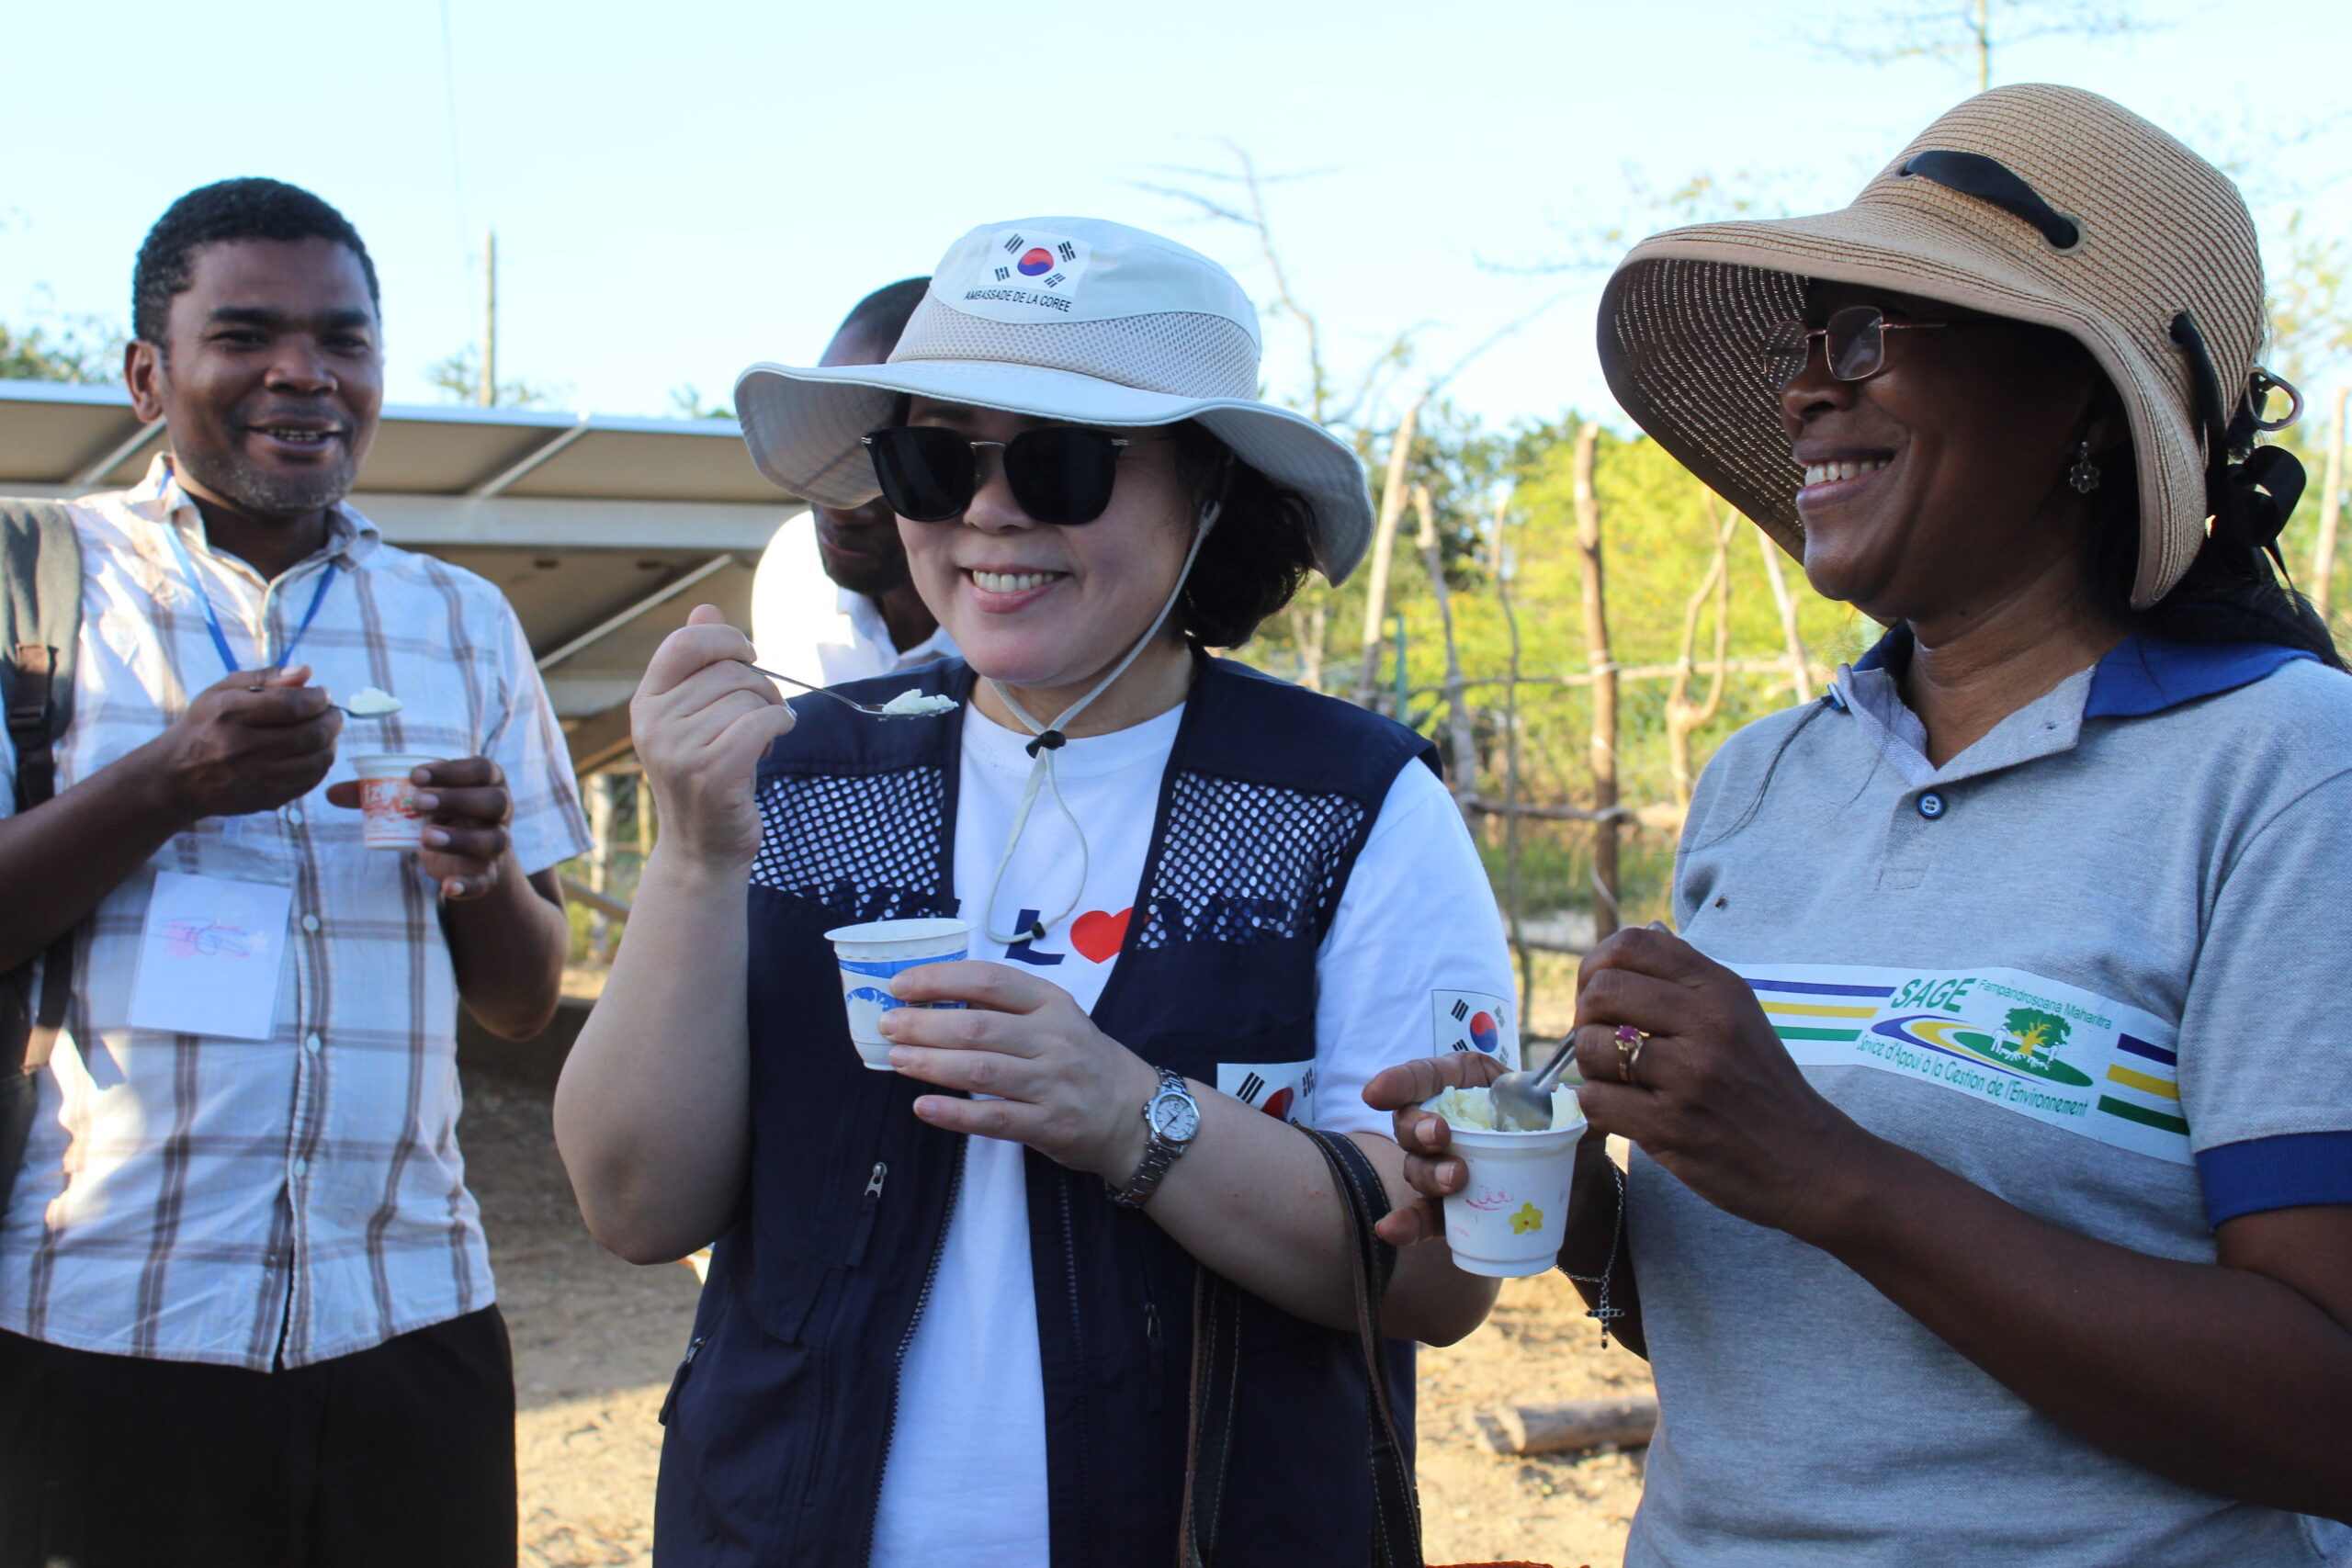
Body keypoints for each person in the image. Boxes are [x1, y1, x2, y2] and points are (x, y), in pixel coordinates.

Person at [1374, 85, 2352, 1566]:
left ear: (2086, 397)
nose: (1804, 391)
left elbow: (2324, 1409)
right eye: (1804, 342)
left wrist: (1828, 1167)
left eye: (1870, 335)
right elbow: (1781, 1344)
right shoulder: (1770, 777)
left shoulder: (2285, 774)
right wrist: (1574, 1201)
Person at [555, 217, 1518, 1566]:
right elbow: (635, 1205)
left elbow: (1444, 1272)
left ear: (1212, 491)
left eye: (1065, 462)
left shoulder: (1350, 806)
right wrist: (696, 853)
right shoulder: (799, 771)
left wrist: (1137, 1118)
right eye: (933, 461)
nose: (988, 512)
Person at [0, 178, 588, 1568]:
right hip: (107, 1316)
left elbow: (522, 1000)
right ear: (149, 373)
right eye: (247, 333)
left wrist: (481, 870)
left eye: (345, 339)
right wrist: (159, 786)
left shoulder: (463, 619)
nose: (304, 374)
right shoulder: (36, 585)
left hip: (410, 1317)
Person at [748, 277, 957, 683]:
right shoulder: (794, 565)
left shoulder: (1040, 627)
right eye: (827, 437)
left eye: (900, 458)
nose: (841, 507)